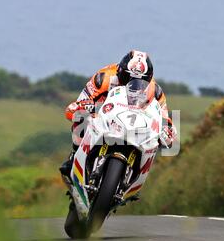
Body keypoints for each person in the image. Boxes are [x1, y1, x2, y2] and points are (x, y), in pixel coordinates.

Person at [59, 50, 176, 178]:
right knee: (80, 117)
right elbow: (81, 101)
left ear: (148, 79)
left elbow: (164, 116)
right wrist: (85, 106)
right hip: (104, 112)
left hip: (136, 121)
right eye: (127, 78)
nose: (132, 84)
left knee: (156, 142)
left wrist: (166, 128)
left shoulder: (155, 91)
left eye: (140, 81)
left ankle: (136, 178)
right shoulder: (104, 77)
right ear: (120, 70)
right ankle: (74, 156)